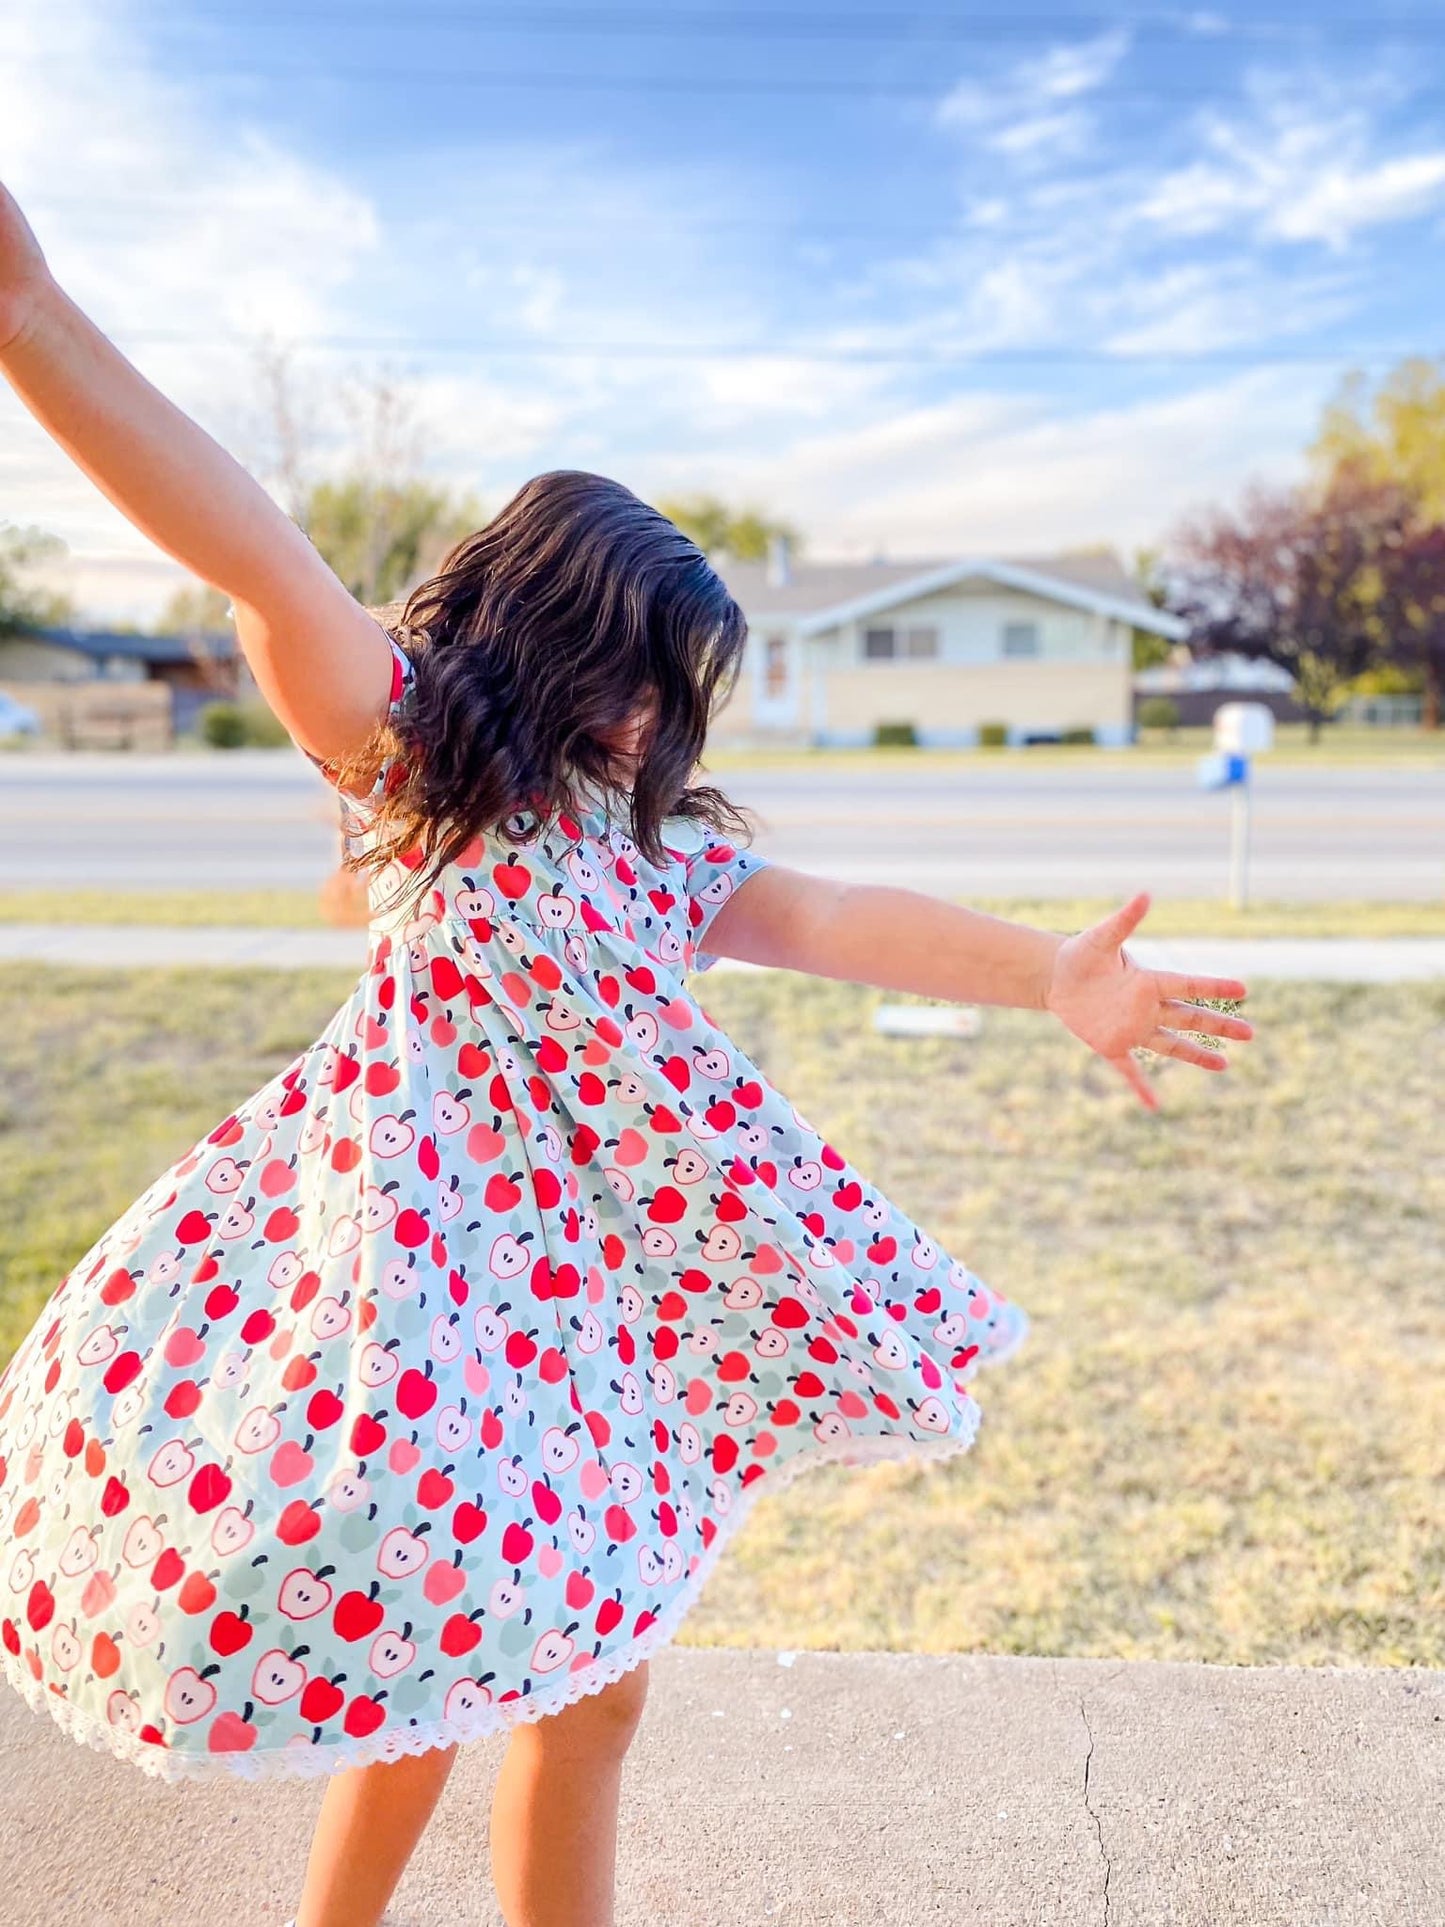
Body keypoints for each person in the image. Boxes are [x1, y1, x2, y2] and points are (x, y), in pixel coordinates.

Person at [0, 180, 1253, 1927]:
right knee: (422, 1662)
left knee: (588, 1683)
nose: (655, 715)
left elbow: (827, 914)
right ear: (542, 628)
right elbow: (259, 557)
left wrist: (1051, 970)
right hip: (413, 1299)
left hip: (574, 1319)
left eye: (680, 691)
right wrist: (35, 319)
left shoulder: (648, 849)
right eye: (632, 670)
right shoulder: (415, 763)